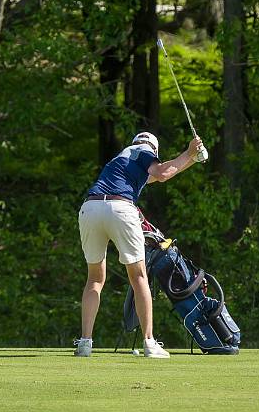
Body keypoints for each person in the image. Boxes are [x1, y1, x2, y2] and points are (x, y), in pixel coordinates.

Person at [74, 132, 204, 358]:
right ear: (154, 150)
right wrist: (189, 151)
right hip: (120, 209)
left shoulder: (123, 158)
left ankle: (85, 343)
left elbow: (163, 172)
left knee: (94, 278)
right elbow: (162, 173)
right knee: (138, 276)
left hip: (90, 209)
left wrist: (192, 158)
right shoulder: (144, 152)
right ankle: (149, 342)